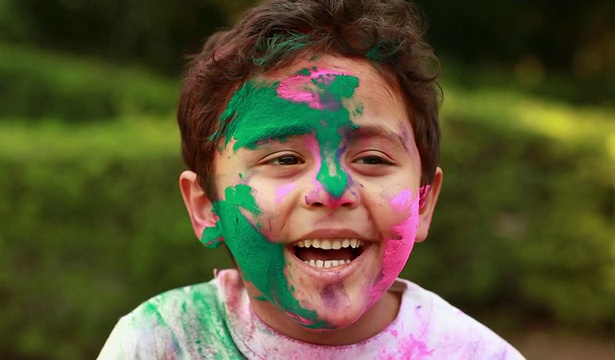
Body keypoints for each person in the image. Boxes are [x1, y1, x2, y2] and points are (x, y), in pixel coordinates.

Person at [98, 0, 525, 358]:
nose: (332, 190)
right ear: (206, 205)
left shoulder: (473, 354)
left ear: (423, 201)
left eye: (372, 159)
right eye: (284, 158)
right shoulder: (158, 344)